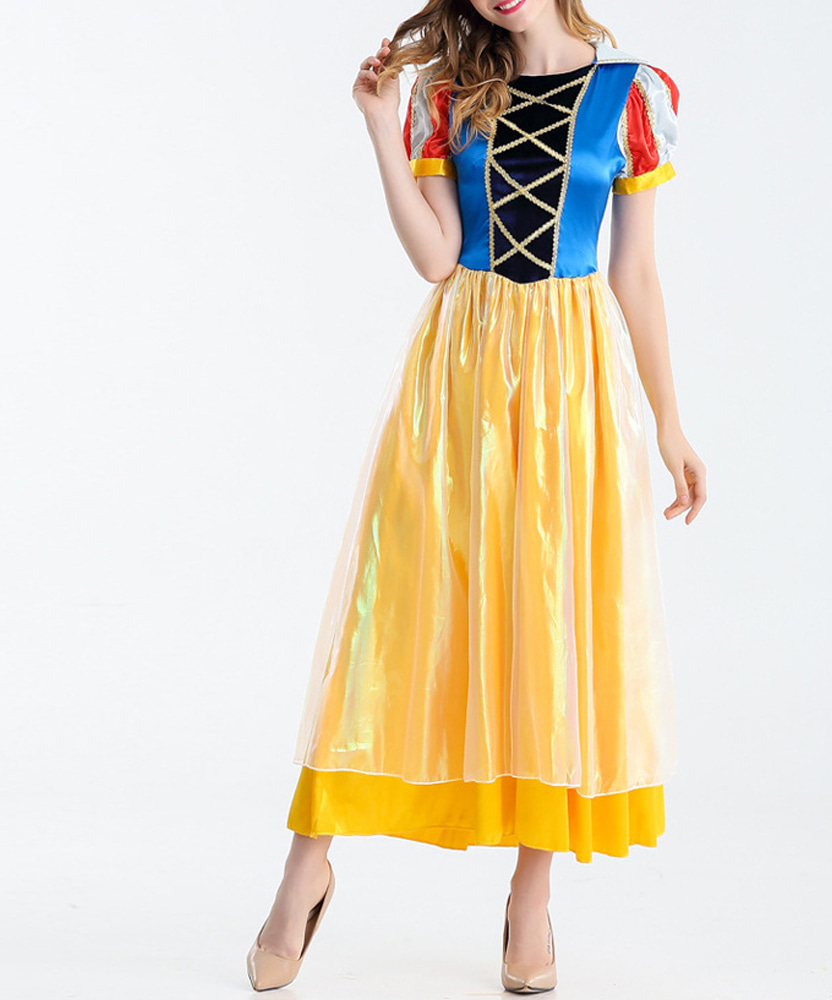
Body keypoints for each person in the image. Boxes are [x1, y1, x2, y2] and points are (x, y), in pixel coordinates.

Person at [246, 0, 706, 992]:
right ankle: (306, 866)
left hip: (572, 383)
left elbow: (633, 271)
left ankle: (530, 899)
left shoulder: (631, 95)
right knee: (394, 610)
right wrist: (380, 125)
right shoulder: (448, 93)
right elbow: (435, 257)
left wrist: (669, 421)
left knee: (555, 626)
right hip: (459, 377)